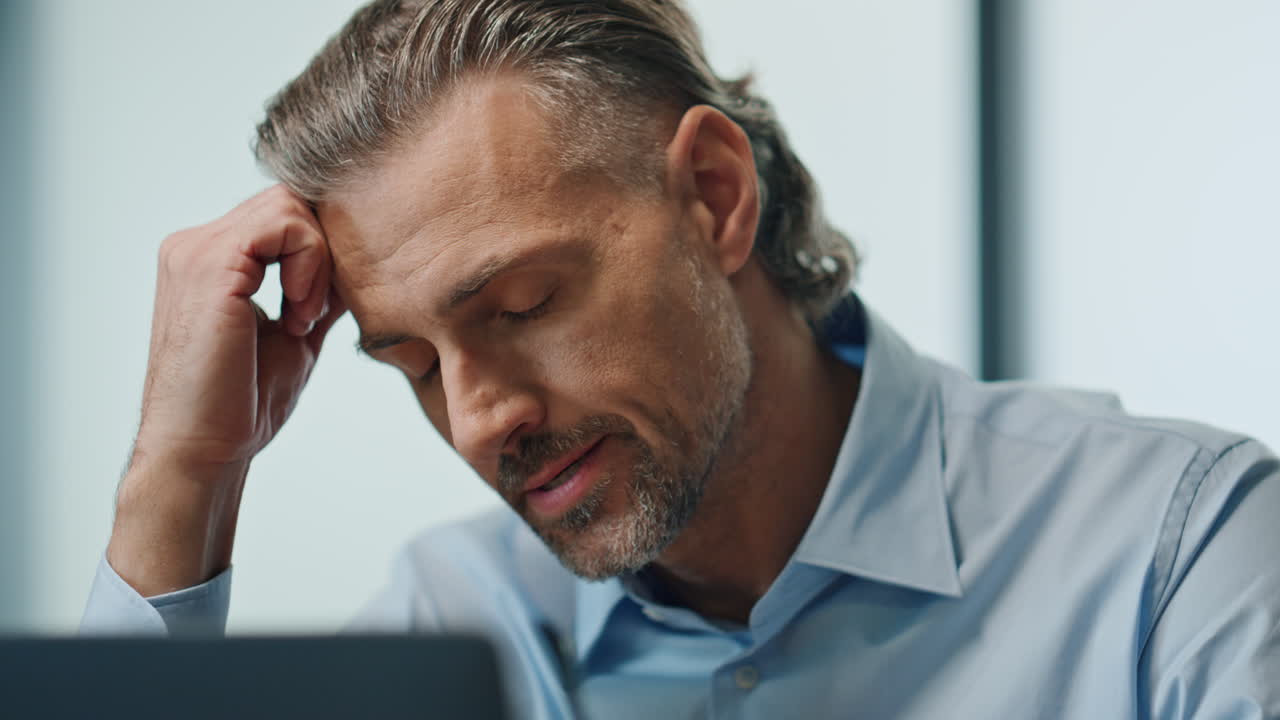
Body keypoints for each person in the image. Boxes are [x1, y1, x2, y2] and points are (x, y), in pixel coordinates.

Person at [82, 1, 1279, 717]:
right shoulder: (456, 627)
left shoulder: (1170, 560)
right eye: (412, 365)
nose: (477, 420)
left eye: (521, 303)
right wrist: (179, 477)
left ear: (712, 197)